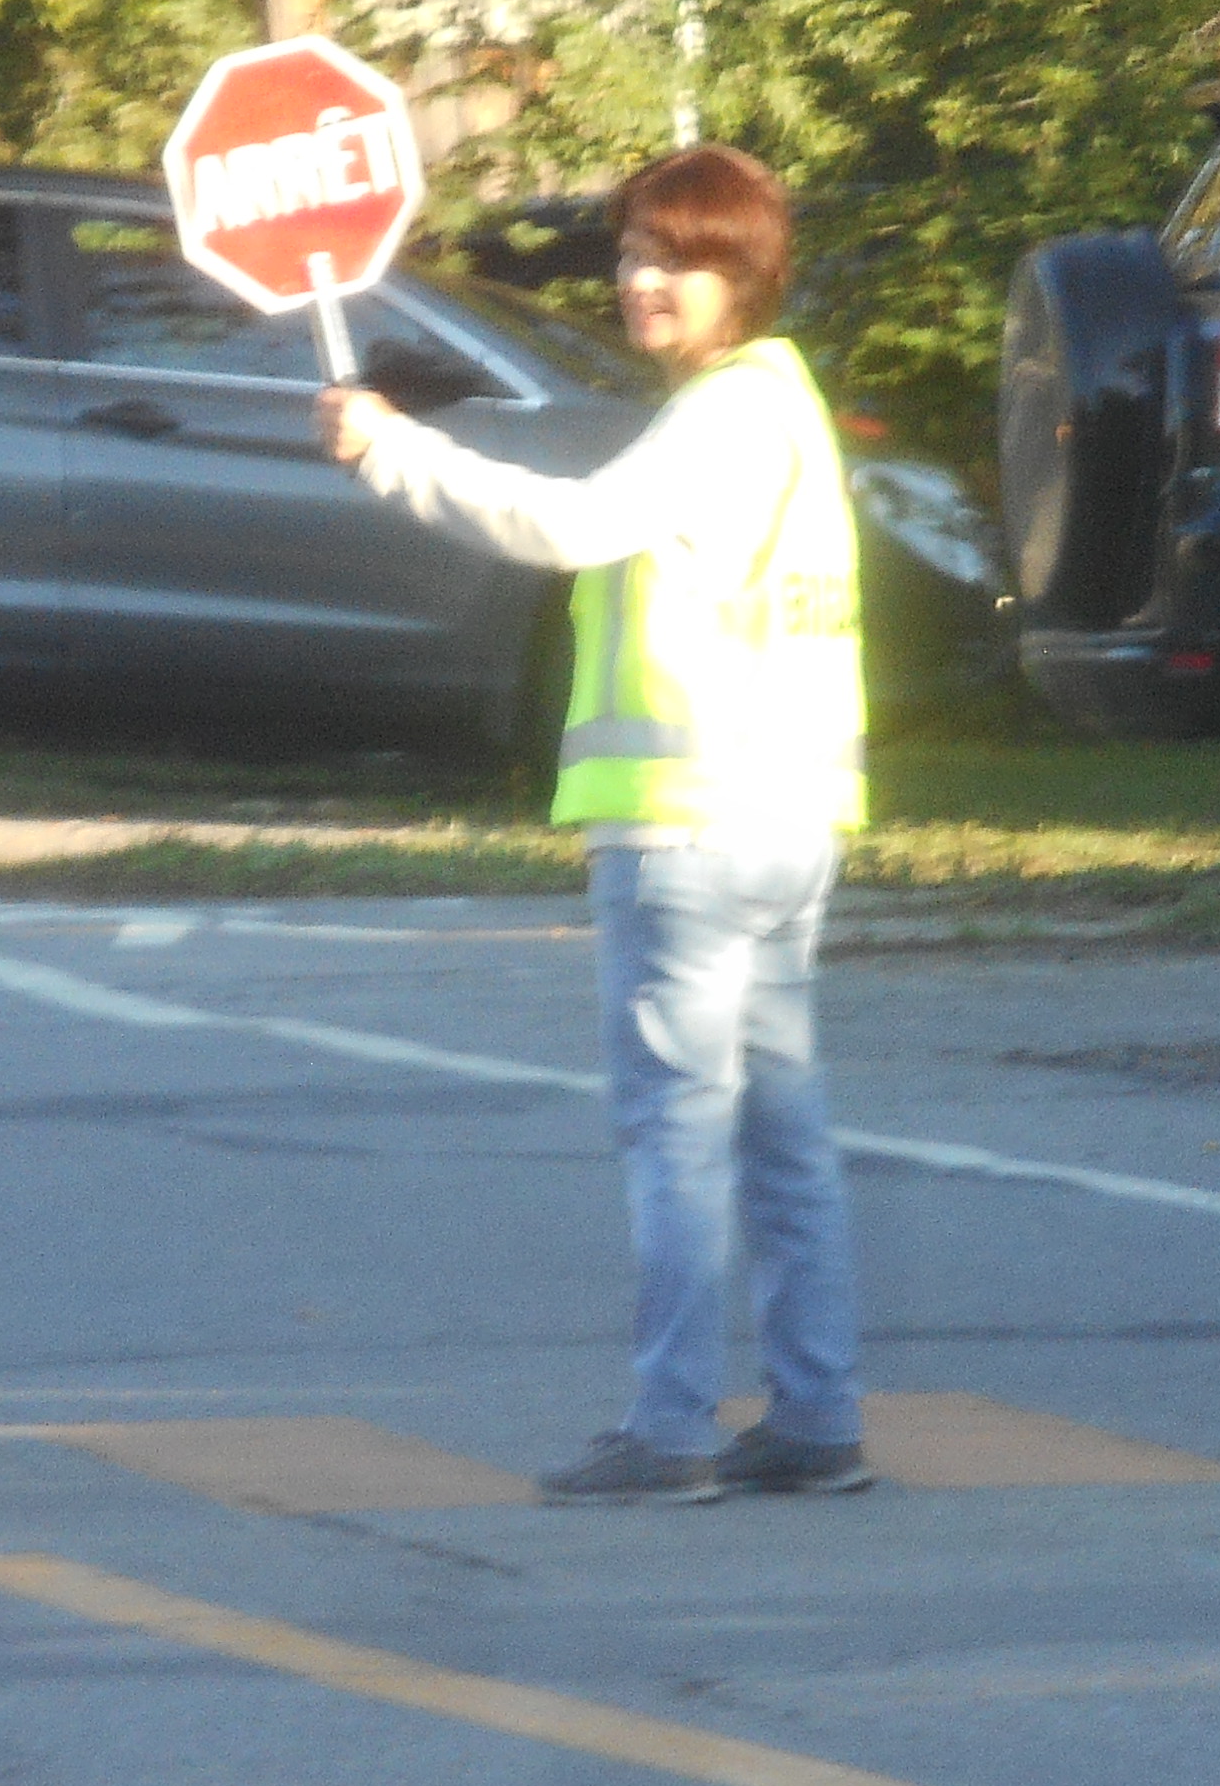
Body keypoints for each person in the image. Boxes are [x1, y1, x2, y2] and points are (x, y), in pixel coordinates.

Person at [317, 142, 871, 1504]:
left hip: (688, 830)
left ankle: (672, 1430)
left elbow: (570, 525)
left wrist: (394, 450)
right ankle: (814, 1417)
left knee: (678, 1140)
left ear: (742, 271)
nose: (644, 282)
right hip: (786, 822)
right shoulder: (783, 405)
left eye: (677, 258)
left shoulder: (726, 417)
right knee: (780, 1134)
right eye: (630, 254)